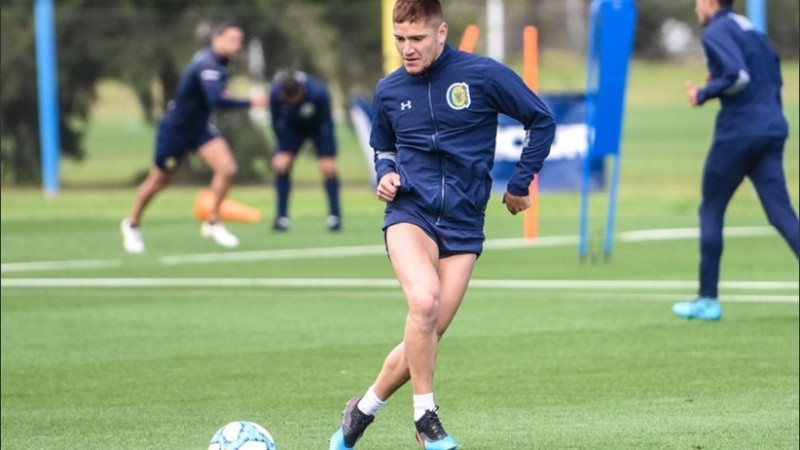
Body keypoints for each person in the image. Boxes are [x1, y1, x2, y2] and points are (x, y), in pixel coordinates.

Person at [328, 1, 555, 449]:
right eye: (399, 40)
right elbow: (384, 148)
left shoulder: (484, 76)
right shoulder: (388, 90)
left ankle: (362, 411)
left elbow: (540, 119)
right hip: (410, 214)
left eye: (416, 39)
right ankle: (425, 418)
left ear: (441, 33)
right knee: (425, 302)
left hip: (464, 224)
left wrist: (519, 181)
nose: (406, 50)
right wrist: (385, 175)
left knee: (426, 332)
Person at [674, 0, 799, 320]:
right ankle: (707, 297)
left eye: (699, 2)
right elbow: (769, 73)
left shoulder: (716, 30)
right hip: (772, 127)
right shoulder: (749, 28)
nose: (696, 7)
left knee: (711, 208)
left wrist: (703, 93)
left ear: (712, 3)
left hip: (739, 133)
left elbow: (738, 75)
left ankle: (707, 299)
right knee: (781, 214)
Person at [120, 21, 267, 253]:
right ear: (216, 40)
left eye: (239, 40)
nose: (237, 45)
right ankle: (132, 224)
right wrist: (251, 101)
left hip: (199, 128)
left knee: (227, 169)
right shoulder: (208, 63)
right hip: (175, 130)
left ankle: (212, 222)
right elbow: (216, 101)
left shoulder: (222, 62)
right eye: (232, 39)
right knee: (159, 181)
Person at [269, 70, 341, 231]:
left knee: (328, 169)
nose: (290, 105)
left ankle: (334, 217)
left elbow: (328, 123)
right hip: (292, 129)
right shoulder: (275, 93)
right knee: (282, 166)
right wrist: (282, 148)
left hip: (318, 129)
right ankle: (281, 218)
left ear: (301, 92)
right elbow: (275, 122)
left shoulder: (318, 92)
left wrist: (328, 152)